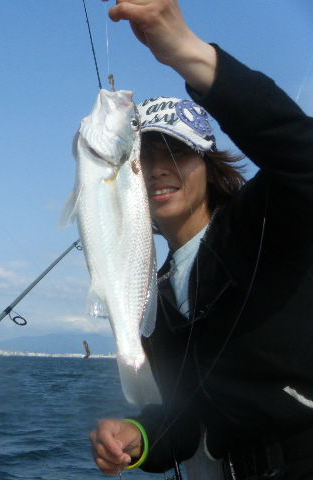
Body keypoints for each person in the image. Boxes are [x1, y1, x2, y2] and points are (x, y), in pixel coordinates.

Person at [89, 1, 313, 479]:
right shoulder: (149, 293)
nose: (158, 169)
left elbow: (302, 154)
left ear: (210, 167)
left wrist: (187, 53)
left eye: (177, 152)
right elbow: (187, 421)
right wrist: (139, 436)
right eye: (144, 156)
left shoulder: (264, 222)